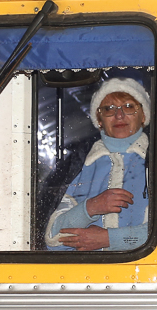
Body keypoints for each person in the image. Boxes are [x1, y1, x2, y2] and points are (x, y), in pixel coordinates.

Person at [45, 78, 150, 252]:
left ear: (144, 115)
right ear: (99, 119)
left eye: (129, 106)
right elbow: (53, 241)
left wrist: (109, 239)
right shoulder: (77, 164)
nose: (119, 115)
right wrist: (91, 207)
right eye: (108, 109)